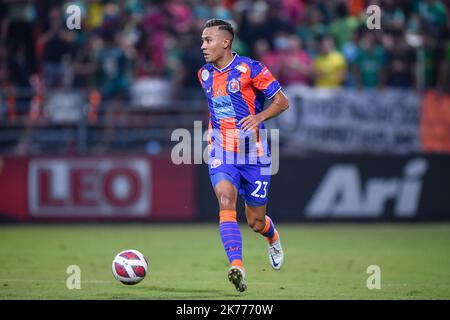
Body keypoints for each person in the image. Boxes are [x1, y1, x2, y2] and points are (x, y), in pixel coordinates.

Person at [197, 19, 289, 292]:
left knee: (255, 222)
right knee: (226, 200)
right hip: (222, 151)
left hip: (254, 154)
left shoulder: (251, 69)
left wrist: (259, 117)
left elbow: (282, 101)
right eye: (202, 40)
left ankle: (272, 237)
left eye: (208, 40)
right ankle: (237, 266)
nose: (203, 46)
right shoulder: (203, 74)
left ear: (225, 42)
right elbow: (216, 107)